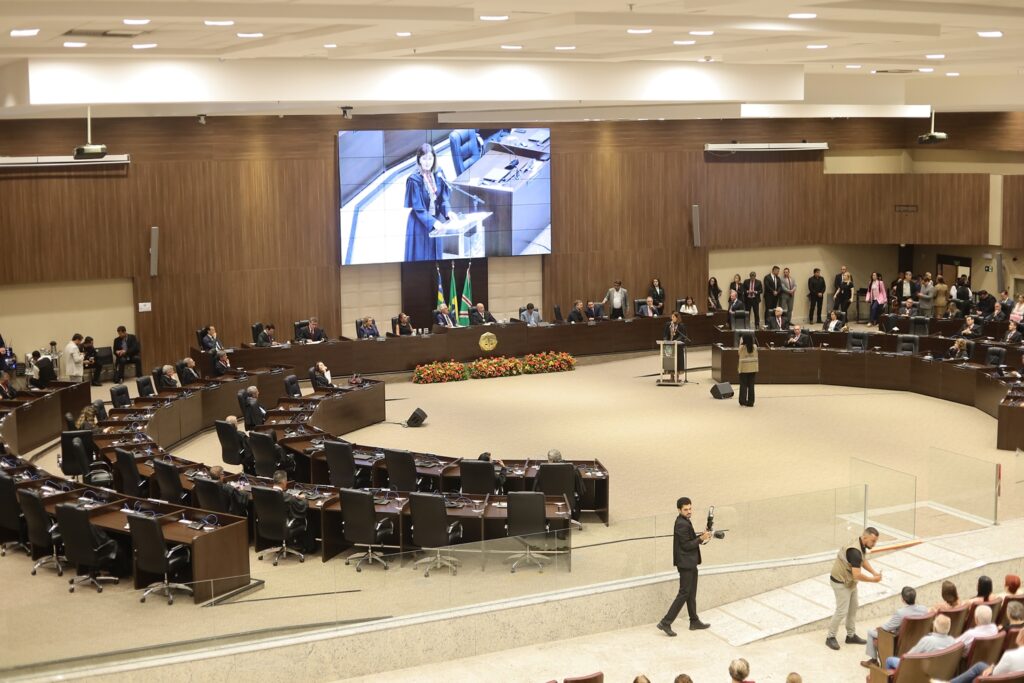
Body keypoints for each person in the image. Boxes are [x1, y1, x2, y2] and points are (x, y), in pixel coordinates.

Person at [656, 496, 711, 637]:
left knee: (691, 593)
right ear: (679, 510)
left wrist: (701, 536)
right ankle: (665, 622)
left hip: (690, 562)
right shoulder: (681, 524)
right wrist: (701, 538)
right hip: (686, 564)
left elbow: (689, 539)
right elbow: (686, 545)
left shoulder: (685, 521)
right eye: (686, 509)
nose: (689, 511)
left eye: (690, 508)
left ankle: (694, 621)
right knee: (684, 593)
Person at [825, 527, 881, 651]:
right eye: (873, 541)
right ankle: (830, 637)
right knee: (841, 611)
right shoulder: (854, 551)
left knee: (853, 607)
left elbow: (862, 560)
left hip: (850, 582)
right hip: (841, 583)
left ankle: (851, 636)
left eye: (875, 541)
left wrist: (874, 572)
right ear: (865, 537)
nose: (874, 544)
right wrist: (873, 579)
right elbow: (857, 575)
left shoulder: (861, 544)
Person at [404, 142, 452, 262]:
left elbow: (443, 198)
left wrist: (448, 212)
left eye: (430, 158)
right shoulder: (414, 179)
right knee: (421, 259)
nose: (427, 162)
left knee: (435, 258)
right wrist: (433, 222)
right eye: (424, 158)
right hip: (419, 224)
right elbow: (419, 209)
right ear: (419, 159)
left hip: (436, 221)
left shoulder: (438, 173)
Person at [862, 586, 931, 667]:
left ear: (903, 599)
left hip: (898, 641)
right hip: (918, 639)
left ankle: (874, 661)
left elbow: (886, 628)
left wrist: (878, 628)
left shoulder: (900, 613)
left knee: (870, 632)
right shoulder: (924, 609)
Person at [883, 613, 955, 671]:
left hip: (918, 670)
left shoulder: (928, 640)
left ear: (935, 627)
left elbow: (908, 656)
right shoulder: (952, 641)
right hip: (938, 671)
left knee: (889, 660)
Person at [950, 628, 1024, 683]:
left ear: (1022, 638)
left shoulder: (1010, 656)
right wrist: (992, 667)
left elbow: (995, 675)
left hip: (1001, 680)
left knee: (980, 670)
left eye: (1019, 633)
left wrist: (992, 668)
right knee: (980, 666)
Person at [271, 469, 317, 552]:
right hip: (286, 526)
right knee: (310, 516)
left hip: (269, 525)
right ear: (284, 482)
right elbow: (302, 505)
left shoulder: (265, 492)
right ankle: (309, 547)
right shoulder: (286, 497)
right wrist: (303, 498)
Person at [738, 332, 758, 407]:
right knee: (751, 386)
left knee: (743, 385)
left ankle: (743, 401)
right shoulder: (755, 347)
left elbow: (739, 353)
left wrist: (740, 342)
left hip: (744, 369)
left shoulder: (742, 348)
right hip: (753, 369)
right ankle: (751, 402)